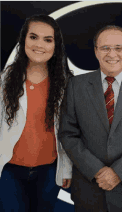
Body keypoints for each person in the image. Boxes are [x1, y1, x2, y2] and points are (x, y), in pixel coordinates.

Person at [58, 25, 122, 212]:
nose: (111, 54)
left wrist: (118, 172)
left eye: (118, 48)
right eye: (105, 48)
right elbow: (68, 134)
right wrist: (97, 171)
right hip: (88, 188)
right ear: (96, 51)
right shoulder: (75, 86)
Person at [0, 14, 72, 212]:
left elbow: (70, 132)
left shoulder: (67, 84)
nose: (39, 44)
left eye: (48, 39)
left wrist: (66, 168)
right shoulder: (5, 80)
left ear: (55, 45)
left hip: (49, 172)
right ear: (23, 40)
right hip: (9, 171)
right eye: (33, 37)